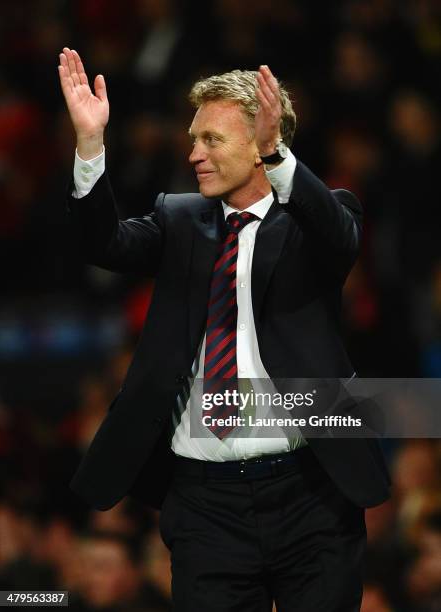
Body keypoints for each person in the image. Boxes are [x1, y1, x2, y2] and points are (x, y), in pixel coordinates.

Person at [58, 47, 391, 611]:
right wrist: (91, 143)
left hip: (310, 495)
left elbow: (340, 240)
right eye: (193, 139)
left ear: (261, 146)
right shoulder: (180, 220)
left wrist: (280, 154)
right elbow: (103, 244)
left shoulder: (319, 221)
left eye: (212, 139)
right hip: (204, 505)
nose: (194, 154)